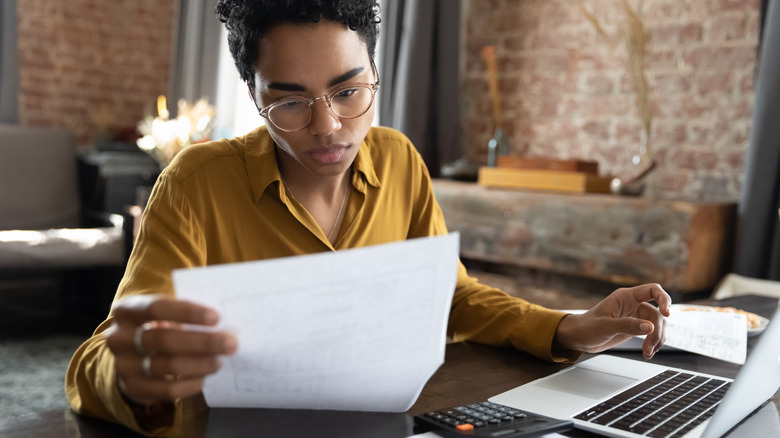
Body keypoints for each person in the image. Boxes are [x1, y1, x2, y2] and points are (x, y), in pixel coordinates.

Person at [65, 1, 671, 436]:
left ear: (375, 75)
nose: (328, 126)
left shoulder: (400, 160)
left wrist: (567, 327)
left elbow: (452, 298)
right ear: (255, 97)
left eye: (350, 91)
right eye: (291, 101)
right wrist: (130, 377)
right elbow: (101, 355)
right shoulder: (196, 184)